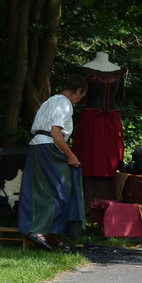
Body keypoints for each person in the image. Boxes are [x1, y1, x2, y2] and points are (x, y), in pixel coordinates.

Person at [19, 74, 88, 248]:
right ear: (78, 90)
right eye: (81, 96)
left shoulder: (50, 101)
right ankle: (38, 229)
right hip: (49, 147)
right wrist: (71, 155)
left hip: (38, 147)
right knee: (60, 192)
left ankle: (52, 234)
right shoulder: (64, 103)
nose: (79, 100)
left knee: (44, 189)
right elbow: (56, 133)